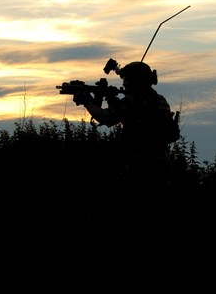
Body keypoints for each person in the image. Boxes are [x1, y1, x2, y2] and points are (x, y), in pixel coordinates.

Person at [72, 60, 180, 290]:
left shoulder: (134, 100)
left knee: (121, 214)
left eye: (126, 80)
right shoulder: (159, 100)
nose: (125, 84)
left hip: (141, 164)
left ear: (134, 82)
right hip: (161, 164)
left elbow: (106, 118)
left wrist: (88, 101)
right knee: (155, 219)